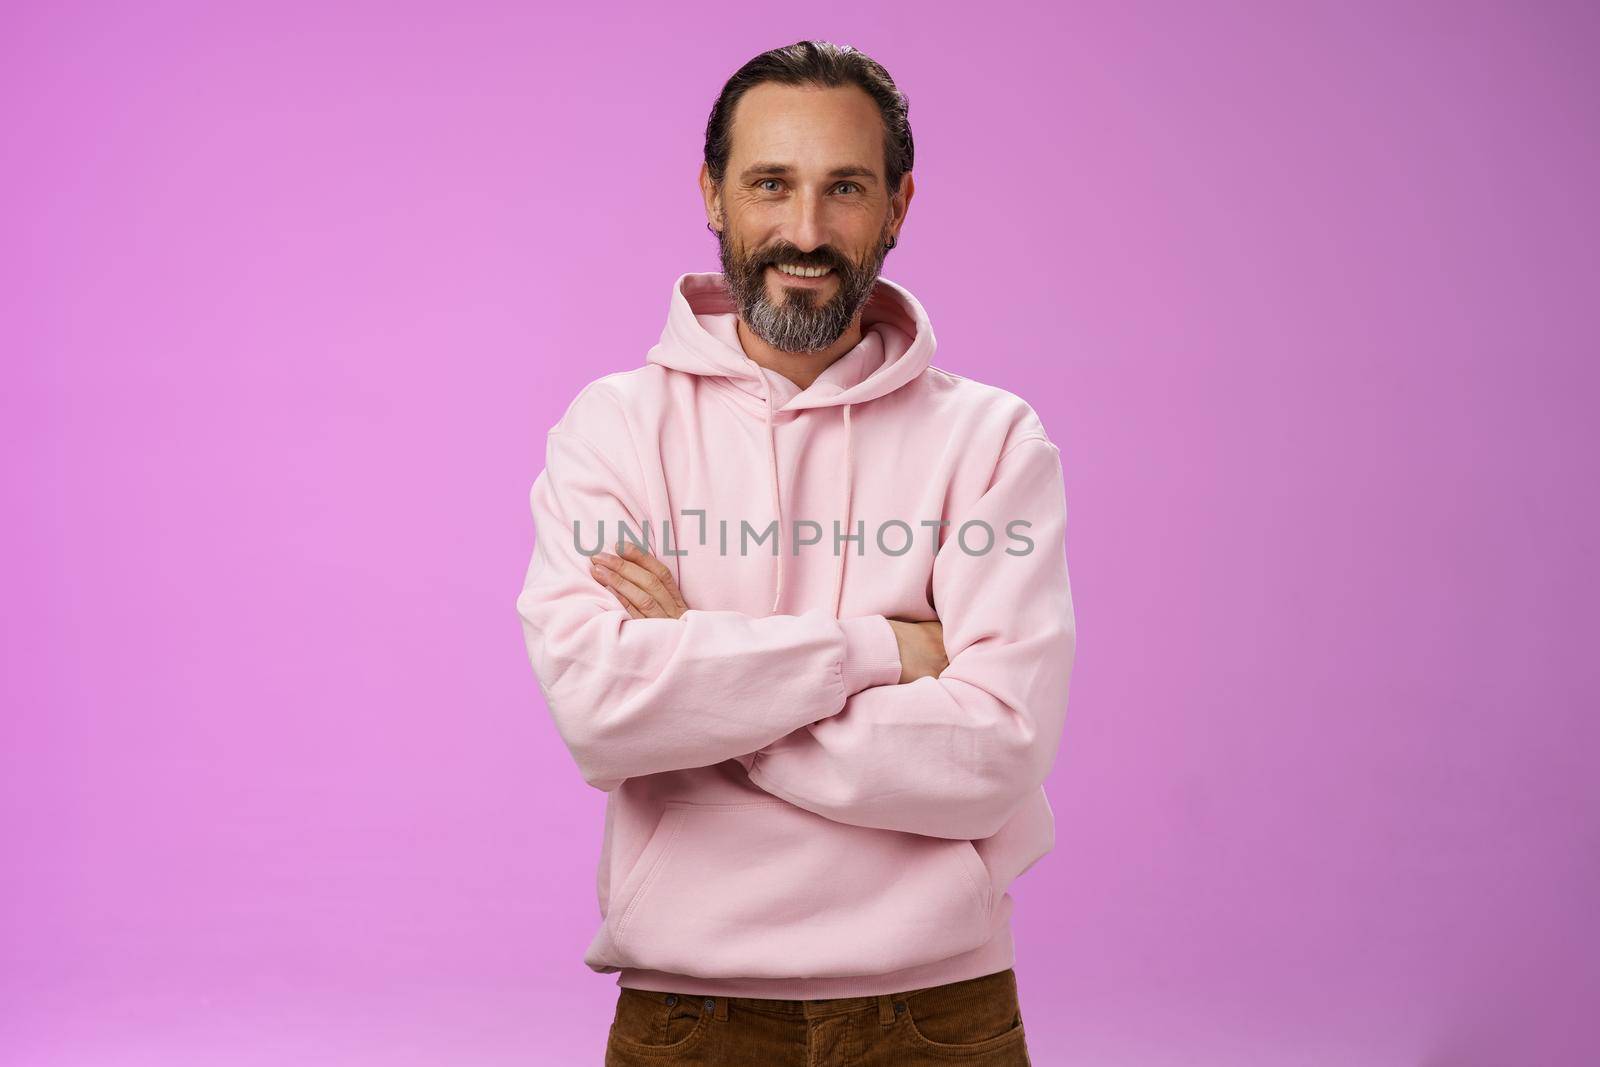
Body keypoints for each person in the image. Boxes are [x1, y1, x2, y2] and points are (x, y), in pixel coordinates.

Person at [516, 39, 1076, 1066]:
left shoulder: (992, 442)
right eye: (770, 183)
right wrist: (883, 650)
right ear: (713, 195)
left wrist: (696, 668)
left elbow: (993, 751)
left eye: (845, 188)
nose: (805, 231)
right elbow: (600, 708)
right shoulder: (612, 428)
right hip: (690, 1014)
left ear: (898, 206)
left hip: (937, 1012)